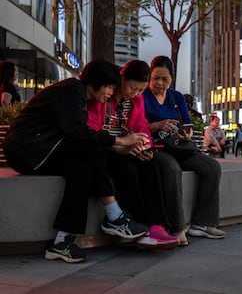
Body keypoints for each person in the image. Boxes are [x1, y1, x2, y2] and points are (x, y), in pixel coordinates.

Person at [3, 60, 148, 263]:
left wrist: (120, 147)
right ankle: (114, 215)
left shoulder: (76, 94)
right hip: (28, 150)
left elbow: (77, 134)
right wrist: (120, 141)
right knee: (91, 149)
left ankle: (63, 241)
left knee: (82, 171)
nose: (110, 93)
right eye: (109, 86)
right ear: (98, 82)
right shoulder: (71, 90)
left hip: (40, 149)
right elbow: (77, 132)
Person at [87, 60, 180, 249]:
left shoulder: (137, 101)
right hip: (106, 148)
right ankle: (137, 225)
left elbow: (142, 126)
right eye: (132, 88)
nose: (135, 93)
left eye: (140, 90)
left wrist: (143, 146)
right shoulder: (104, 95)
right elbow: (92, 130)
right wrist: (121, 146)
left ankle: (156, 226)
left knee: (152, 164)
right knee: (126, 168)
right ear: (122, 78)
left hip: (127, 147)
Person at [143, 55, 226, 239]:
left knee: (212, 167)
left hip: (179, 146)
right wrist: (156, 125)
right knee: (172, 169)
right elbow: (136, 126)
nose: (160, 83)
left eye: (165, 79)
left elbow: (187, 124)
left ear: (171, 78)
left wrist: (186, 133)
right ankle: (177, 227)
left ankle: (202, 223)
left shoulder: (176, 97)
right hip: (156, 148)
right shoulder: (143, 97)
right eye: (156, 78)